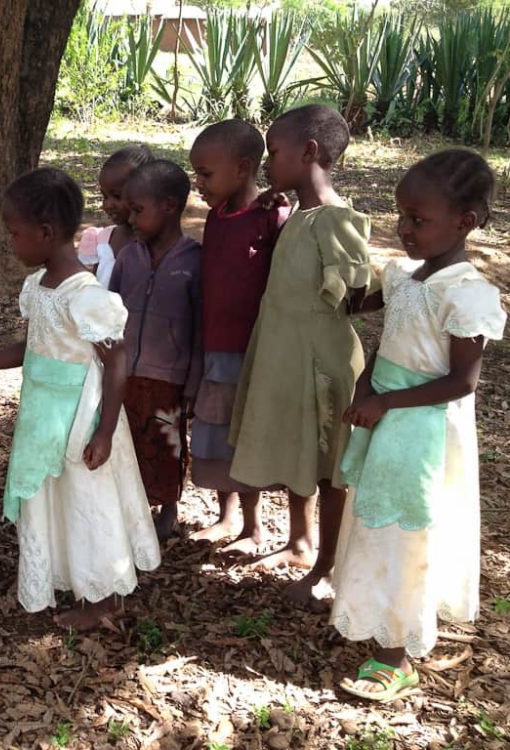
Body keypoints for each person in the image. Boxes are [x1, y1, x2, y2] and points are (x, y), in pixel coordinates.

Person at [330, 150, 505, 702]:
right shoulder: (408, 275)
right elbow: (392, 338)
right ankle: (374, 619)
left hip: (423, 430)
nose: (404, 230)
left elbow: (461, 383)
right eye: (400, 216)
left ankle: (396, 654)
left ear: (465, 223)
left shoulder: (466, 293)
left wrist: (386, 403)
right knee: (375, 522)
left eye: (418, 220)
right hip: (388, 417)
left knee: (408, 532)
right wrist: (365, 386)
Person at [0, 167, 161, 630]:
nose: (11, 243)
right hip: (42, 415)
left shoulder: (85, 296)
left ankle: (103, 596)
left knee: (88, 501)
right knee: (57, 498)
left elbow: (116, 361)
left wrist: (105, 431)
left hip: (80, 418)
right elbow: (32, 348)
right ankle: (68, 573)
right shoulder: (39, 286)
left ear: (45, 233)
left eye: (14, 233)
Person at [227, 105, 377, 606]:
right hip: (285, 352)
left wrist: (389, 287)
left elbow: (357, 296)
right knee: (301, 449)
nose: (268, 163)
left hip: (321, 361)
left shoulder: (336, 219)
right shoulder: (301, 214)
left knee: (328, 463)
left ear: (308, 152)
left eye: (274, 153)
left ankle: (327, 567)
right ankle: (299, 541)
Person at [187, 119, 289, 556]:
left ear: (244, 168)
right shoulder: (216, 217)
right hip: (214, 345)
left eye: (206, 174)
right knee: (212, 429)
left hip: (250, 349)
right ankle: (225, 515)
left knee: (241, 434)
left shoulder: (271, 216)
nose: (199, 183)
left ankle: (253, 525)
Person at [109, 160, 202, 542]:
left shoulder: (194, 261)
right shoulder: (128, 257)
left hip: (169, 375)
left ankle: (168, 510)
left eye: (137, 210)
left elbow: (200, 326)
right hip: (124, 372)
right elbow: (110, 313)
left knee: (166, 442)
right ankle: (127, 507)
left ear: (169, 206)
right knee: (126, 440)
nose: (130, 218)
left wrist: (194, 378)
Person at [78, 145, 155, 288]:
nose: (107, 205)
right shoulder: (101, 240)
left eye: (117, 196)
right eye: (105, 196)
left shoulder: (155, 245)